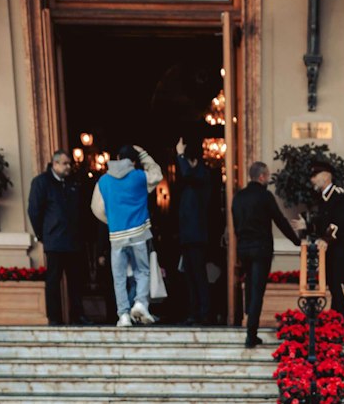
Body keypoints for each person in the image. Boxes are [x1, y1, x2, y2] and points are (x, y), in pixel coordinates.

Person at [91, 143, 163, 328]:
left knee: (119, 277)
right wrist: (144, 154)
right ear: (133, 161)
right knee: (142, 272)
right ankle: (140, 303)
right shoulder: (139, 177)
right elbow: (157, 173)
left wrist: (113, 221)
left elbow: (96, 208)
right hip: (139, 232)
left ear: (116, 158)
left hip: (116, 235)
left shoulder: (104, 181)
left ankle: (123, 315)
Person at [231, 161, 300, 348]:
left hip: (244, 248)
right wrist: (297, 241)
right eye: (267, 175)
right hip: (261, 249)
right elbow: (280, 220)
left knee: (250, 286)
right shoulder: (265, 196)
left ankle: (249, 326)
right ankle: (251, 334)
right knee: (257, 291)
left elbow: (236, 225)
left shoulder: (238, 197)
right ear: (262, 176)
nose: (268, 178)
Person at [28, 150, 86, 326]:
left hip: (73, 240)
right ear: (55, 164)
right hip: (54, 240)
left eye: (69, 163)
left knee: (76, 281)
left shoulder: (73, 182)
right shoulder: (41, 182)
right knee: (53, 281)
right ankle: (54, 318)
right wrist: (42, 234)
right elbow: (34, 211)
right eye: (65, 163)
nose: (68, 167)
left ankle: (78, 315)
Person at [308, 160, 344, 328]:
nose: (312, 179)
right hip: (328, 252)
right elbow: (319, 224)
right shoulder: (322, 199)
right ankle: (338, 321)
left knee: (338, 284)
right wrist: (306, 226)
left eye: (315, 175)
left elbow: (337, 223)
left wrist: (326, 239)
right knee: (333, 285)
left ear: (327, 176)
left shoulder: (339, 196)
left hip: (338, 250)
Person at [176, 136, 213, 325]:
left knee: (198, 275)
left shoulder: (201, 175)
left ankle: (204, 312)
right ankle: (194, 312)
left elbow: (187, 174)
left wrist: (180, 156)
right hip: (188, 237)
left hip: (197, 236)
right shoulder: (191, 180)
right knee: (190, 276)